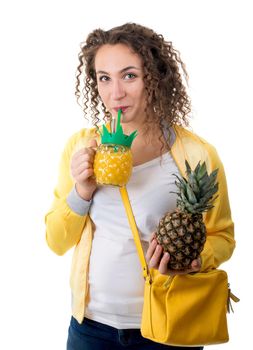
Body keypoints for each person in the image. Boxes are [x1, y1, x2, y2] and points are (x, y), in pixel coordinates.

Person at [45, 23, 235, 350]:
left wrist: (195, 259)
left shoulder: (196, 155)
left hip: (170, 323)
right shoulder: (81, 147)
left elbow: (222, 237)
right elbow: (56, 241)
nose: (115, 93)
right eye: (104, 77)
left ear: (155, 78)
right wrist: (82, 191)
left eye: (129, 75)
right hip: (91, 328)